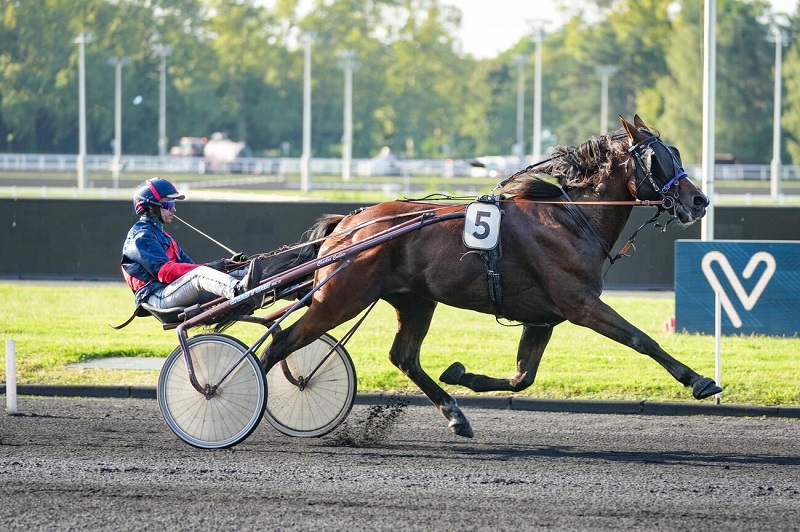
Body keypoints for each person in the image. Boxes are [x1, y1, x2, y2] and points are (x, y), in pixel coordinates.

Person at [121, 177, 262, 311]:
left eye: (174, 204)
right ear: (151, 207)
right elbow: (166, 272)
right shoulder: (141, 236)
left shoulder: (164, 237)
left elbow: (192, 268)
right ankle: (239, 291)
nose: (174, 209)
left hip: (173, 291)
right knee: (200, 275)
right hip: (158, 297)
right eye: (169, 204)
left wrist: (226, 266)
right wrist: (214, 267)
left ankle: (271, 287)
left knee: (242, 272)